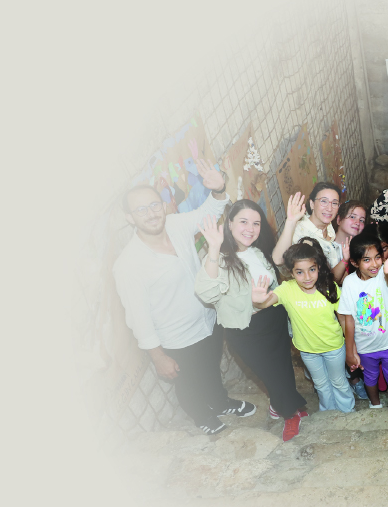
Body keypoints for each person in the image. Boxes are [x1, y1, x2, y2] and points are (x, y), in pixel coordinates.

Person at [112, 164, 256, 435]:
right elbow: (138, 318)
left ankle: (219, 402)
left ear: (163, 205)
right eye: (141, 210)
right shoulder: (128, 265)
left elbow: (207, 214)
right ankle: (201, 415)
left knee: (211, 368)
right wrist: (158, 357)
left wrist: (218, 189)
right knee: (188, 382)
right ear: (130, 218)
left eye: (154, 205)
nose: (151, 213)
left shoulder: (175, 224)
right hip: (177, 338)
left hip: (208, 319)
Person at [191, 199, 312, 437]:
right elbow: (206, 293)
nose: (250, 229)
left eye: (256, 223)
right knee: (271, 374)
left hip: (273, 319)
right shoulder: (220, 259)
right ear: (230, 223)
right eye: (244, 222)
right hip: (245, 330)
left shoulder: (256, 251)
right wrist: (213, 248)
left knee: (283, 368)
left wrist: (290, 222)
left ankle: (280, 405)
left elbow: (278, 259)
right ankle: (290, 414)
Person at [261, 239, 360, 414]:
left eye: (312, 270)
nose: (307, 277)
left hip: (334, 347)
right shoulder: (287, 289)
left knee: (338, 381)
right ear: (291, 272)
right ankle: (328, 412)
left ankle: (347, 410)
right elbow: (265, 303)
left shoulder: (330, 288)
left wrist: (351, 349)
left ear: (318, 268)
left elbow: (344, 320)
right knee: (320, 384)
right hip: (307, 351)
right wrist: (258, 299)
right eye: (300, 272)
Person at [339, 233, 388, 409]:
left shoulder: (384, 274)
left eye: (377, 257)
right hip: (365, 345)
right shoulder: (349, 283)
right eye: (367, 260)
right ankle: (375, 405)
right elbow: (348, 319)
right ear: (354, 262)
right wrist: (350, 351)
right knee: (370, 377)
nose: (374, 264)